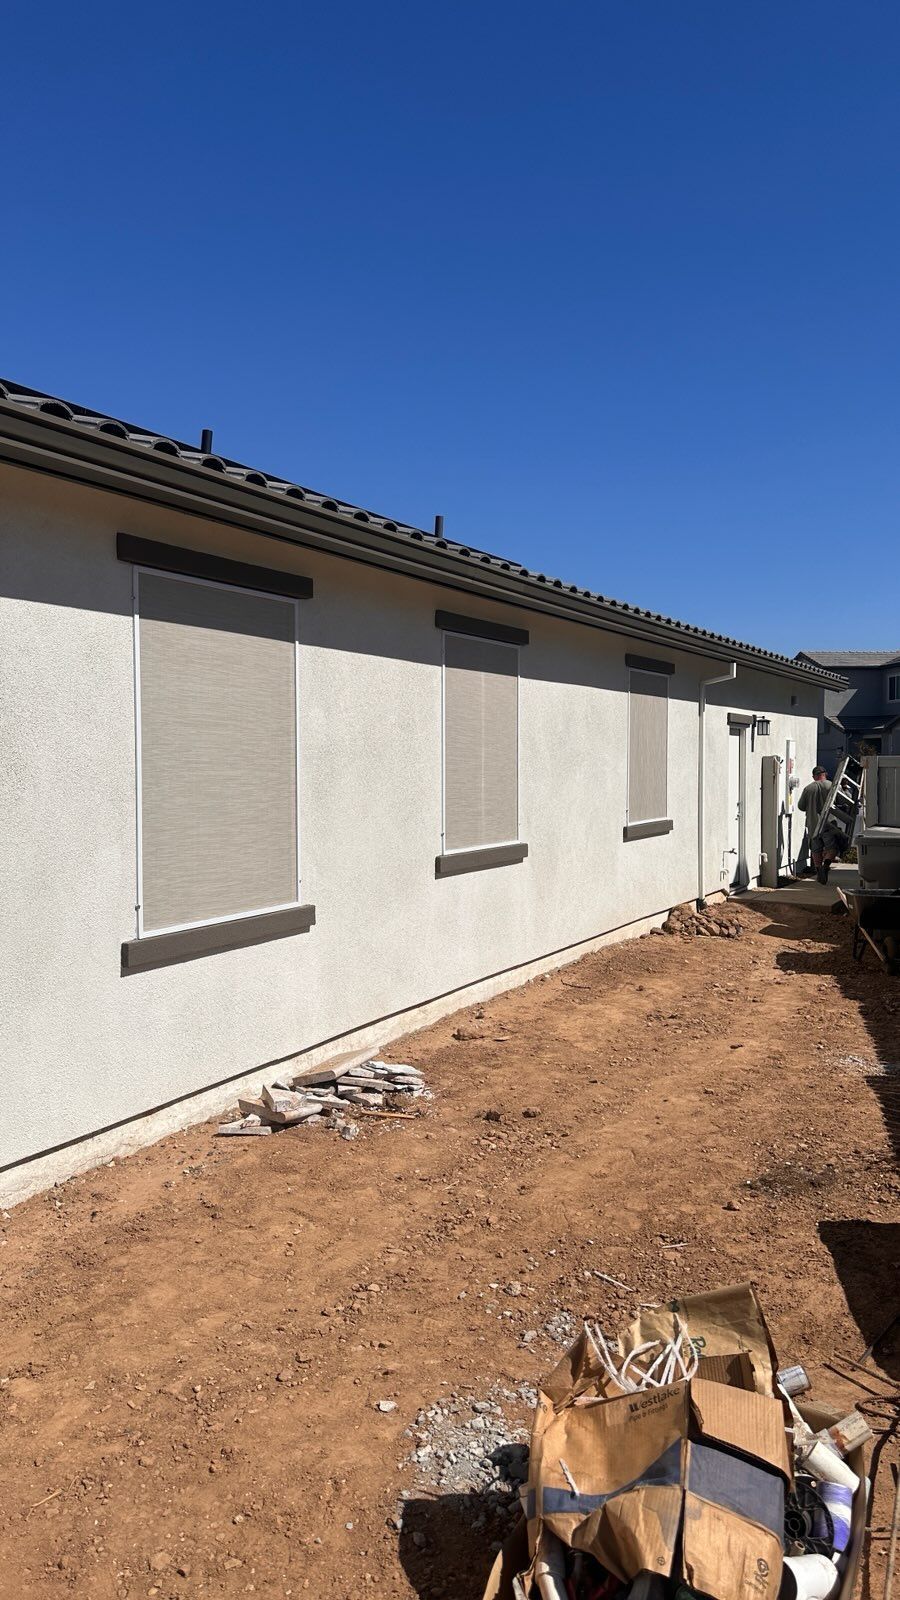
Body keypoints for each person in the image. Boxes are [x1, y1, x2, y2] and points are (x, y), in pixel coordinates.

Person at [797, 765, 834, 882]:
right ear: (825, 774)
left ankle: (819, 870)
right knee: (832, 847)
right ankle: (826, 866)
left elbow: (801, 806)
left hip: (813, 825)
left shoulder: (808, 789)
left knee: (815, 849)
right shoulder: (832, 786)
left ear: (814, 776)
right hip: (829, 824)